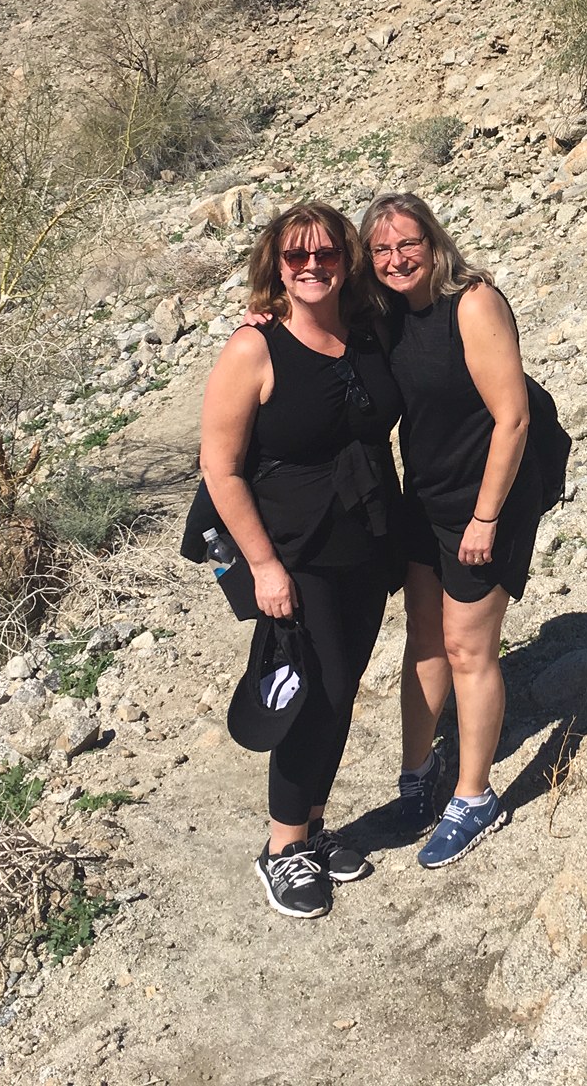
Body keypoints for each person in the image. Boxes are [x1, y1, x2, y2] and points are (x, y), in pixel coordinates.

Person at [198, 202, 404, 919]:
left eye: (326, 254)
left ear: (346, 260)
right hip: (294, 551)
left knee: (342, 690)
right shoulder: (253, 349)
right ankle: (282, 849)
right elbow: (220, 469)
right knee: (312, 693)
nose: (312, 266)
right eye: (296, 256)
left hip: (367, 540)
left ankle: (312, 828)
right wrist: (264, 567)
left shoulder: (366, 328)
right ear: (276, 265)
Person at [362, 192, 540, 869]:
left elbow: (513, 418)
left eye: (408, 243)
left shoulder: (472, 304)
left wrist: (485, 518)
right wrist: (265, 311)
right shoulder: (386, 313)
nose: (396, 258)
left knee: (469, 649)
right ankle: (417, 776)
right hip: (425, 498)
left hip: (484, 501)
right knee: (424, 640)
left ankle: (474, 797)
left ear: (434, 242)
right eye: (381, 249)